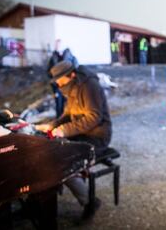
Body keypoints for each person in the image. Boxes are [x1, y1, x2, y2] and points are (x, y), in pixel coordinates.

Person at [36, 60, 112, 220]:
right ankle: (44, 196)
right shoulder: (71, 87)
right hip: (82, 133)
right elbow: (67, 115)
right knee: (51, 152)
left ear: (71, 75)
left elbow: (94, 117)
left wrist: (64, 130)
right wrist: (52, 125)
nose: (57, 82)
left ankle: (89, 202)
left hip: (97, 136)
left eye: (59, 79)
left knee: (64, 160)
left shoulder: (90, 86)